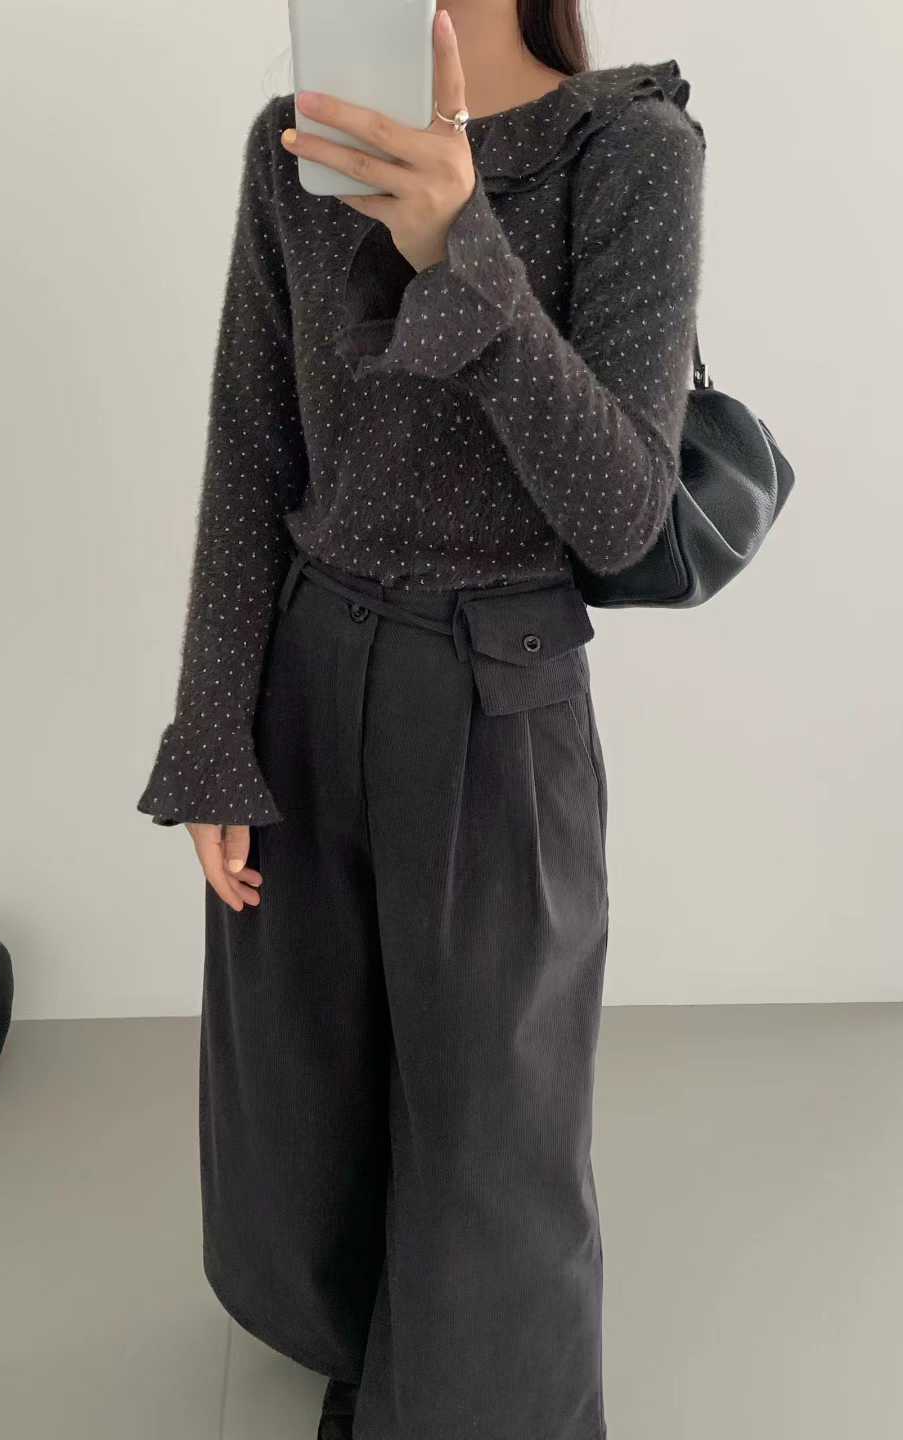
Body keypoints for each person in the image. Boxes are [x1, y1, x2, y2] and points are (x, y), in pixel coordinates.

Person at [136, 4, 705, 1436]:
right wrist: (213, 734)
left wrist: (463, 247)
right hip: (307, 668)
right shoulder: (296, 147)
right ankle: (354, 1338)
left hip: (497, 692)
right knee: (304, 1068)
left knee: (491, 1111)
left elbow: (624, 512)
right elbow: (251, 446)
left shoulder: (629, 149)